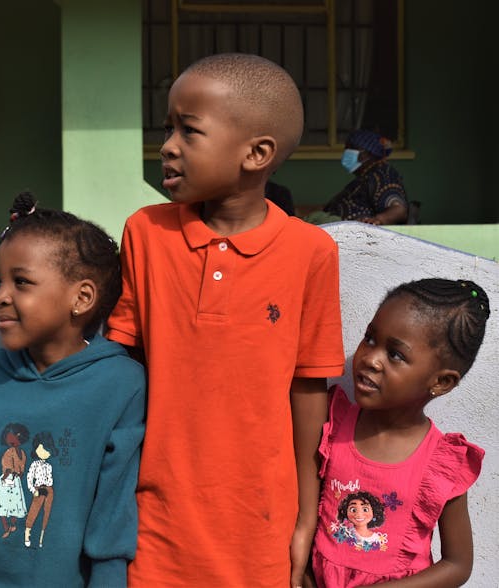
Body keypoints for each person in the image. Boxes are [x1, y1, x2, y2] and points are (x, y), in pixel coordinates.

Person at [106, 53, 345, 587]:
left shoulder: (311, 252)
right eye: (168, 127)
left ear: (256, 153)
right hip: (155, 520)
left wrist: (307, 518)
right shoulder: (145, 234)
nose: (167, 145)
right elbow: (121, 370)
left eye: (188, 131)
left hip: (261, 524)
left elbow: (309, 391)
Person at [0, 192, 146, 587]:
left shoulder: (119, 384)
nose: (0, 297)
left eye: (21, 282)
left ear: (81, 298)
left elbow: (114, 504)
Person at [310, 278, 489, 587]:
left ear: (441, 382)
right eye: (369, 339)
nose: (370, 359)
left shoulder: (441, 464)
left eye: (395, 354)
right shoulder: (334, 426)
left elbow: (458, 564)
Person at [310, 129, 408, 225]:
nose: (346, 153)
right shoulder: (365, 177)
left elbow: (399, 210)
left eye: (350, 149)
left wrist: (377, 220)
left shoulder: (382, 175)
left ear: (365, 154)